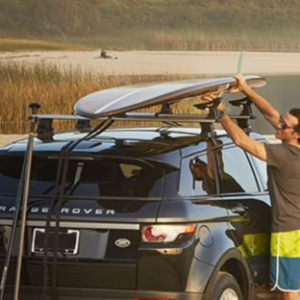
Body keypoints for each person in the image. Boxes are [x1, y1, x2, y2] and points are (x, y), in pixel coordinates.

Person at [203, 75, 300, 300]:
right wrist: (246, 90)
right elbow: (271, 114)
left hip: (288, 233)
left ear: (296, 135)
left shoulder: (285, 156)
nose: (279, 124)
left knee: (287, 290)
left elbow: (242, 142)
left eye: (285, 125)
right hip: (297, 229)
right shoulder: (294, 148)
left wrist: (220, 110)